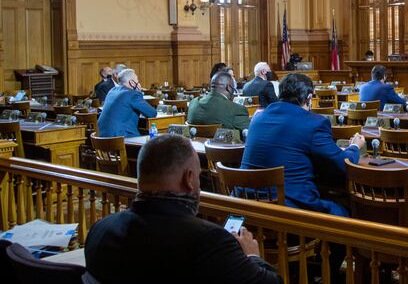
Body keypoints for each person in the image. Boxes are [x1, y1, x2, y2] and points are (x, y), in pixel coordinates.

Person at [85, 134, 281, 284]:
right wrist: (252, 256)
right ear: (188, 179)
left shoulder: (100, 231)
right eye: (197, 176)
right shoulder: (209, 241)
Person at [242, 73, 365, 216]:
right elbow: (343, 165)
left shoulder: (258, 117)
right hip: (287, 210)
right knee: (350, 213)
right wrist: (355, 146)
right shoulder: (314, 123)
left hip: (248, 205)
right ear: (309, 98)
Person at [97, 69, 157, 137]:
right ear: (132, 82)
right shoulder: (132, 94)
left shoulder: (112, 91)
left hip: (100, 137)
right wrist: (139, 93)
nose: (138, 82)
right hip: (120, 138)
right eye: (137, 79)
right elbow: (152, 113)